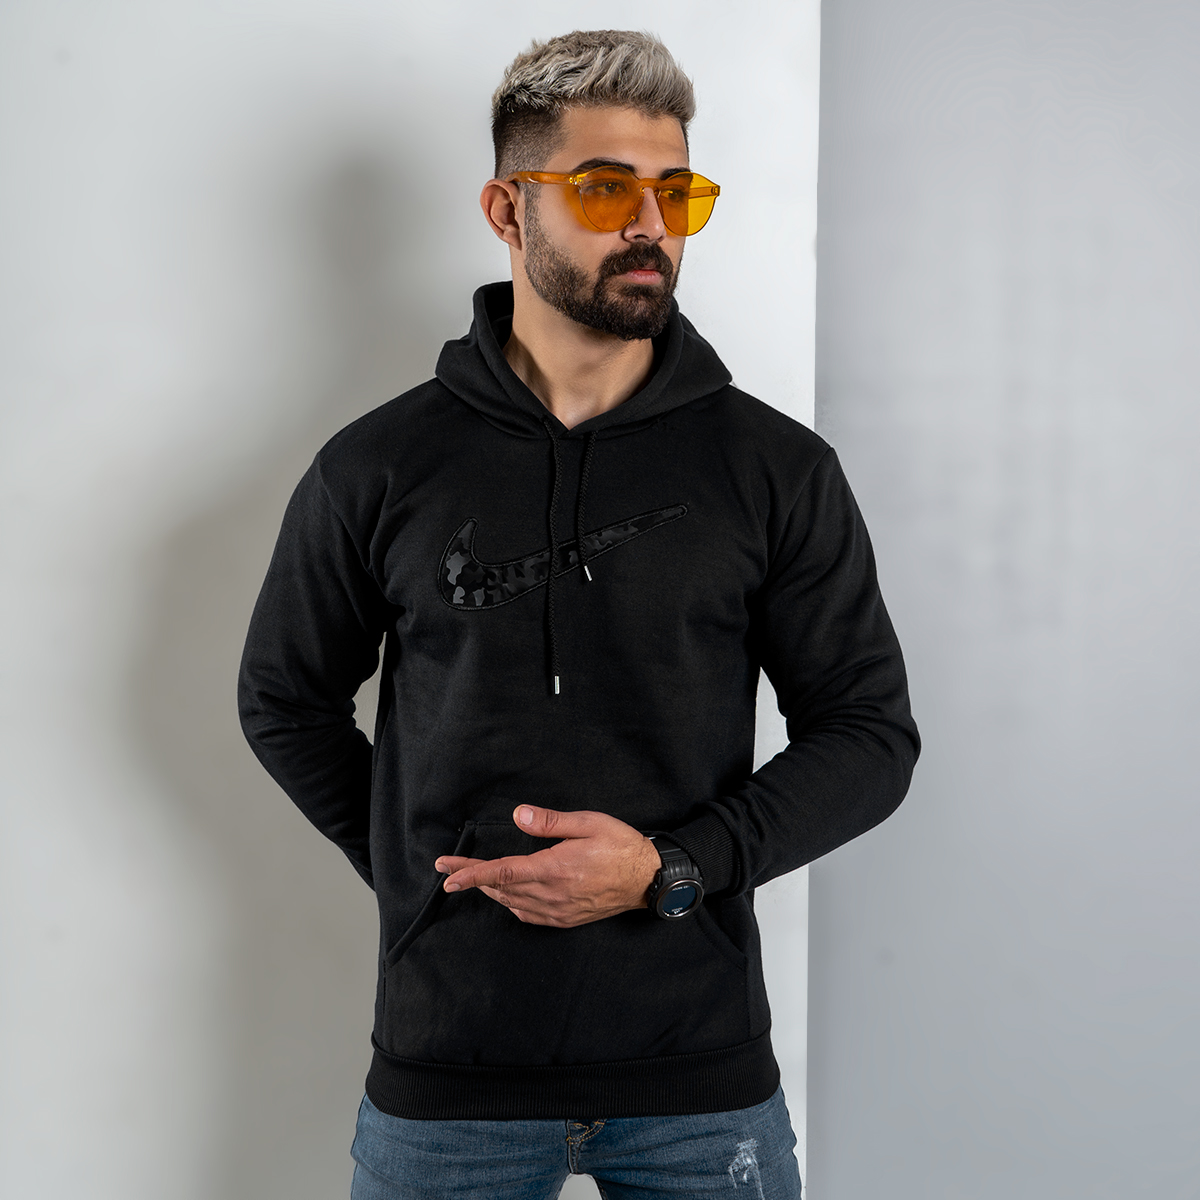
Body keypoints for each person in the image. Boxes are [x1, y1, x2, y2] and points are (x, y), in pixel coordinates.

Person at [239, 28, 919, 1200]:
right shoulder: (380, 466)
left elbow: (869, 735)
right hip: (449, 1082)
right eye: (606, 189)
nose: (651, 225)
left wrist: (671, 867)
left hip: (700, 1084)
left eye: (677, 192)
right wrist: (420, 874)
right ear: (509, 209)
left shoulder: (776, 470)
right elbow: (284, 698)